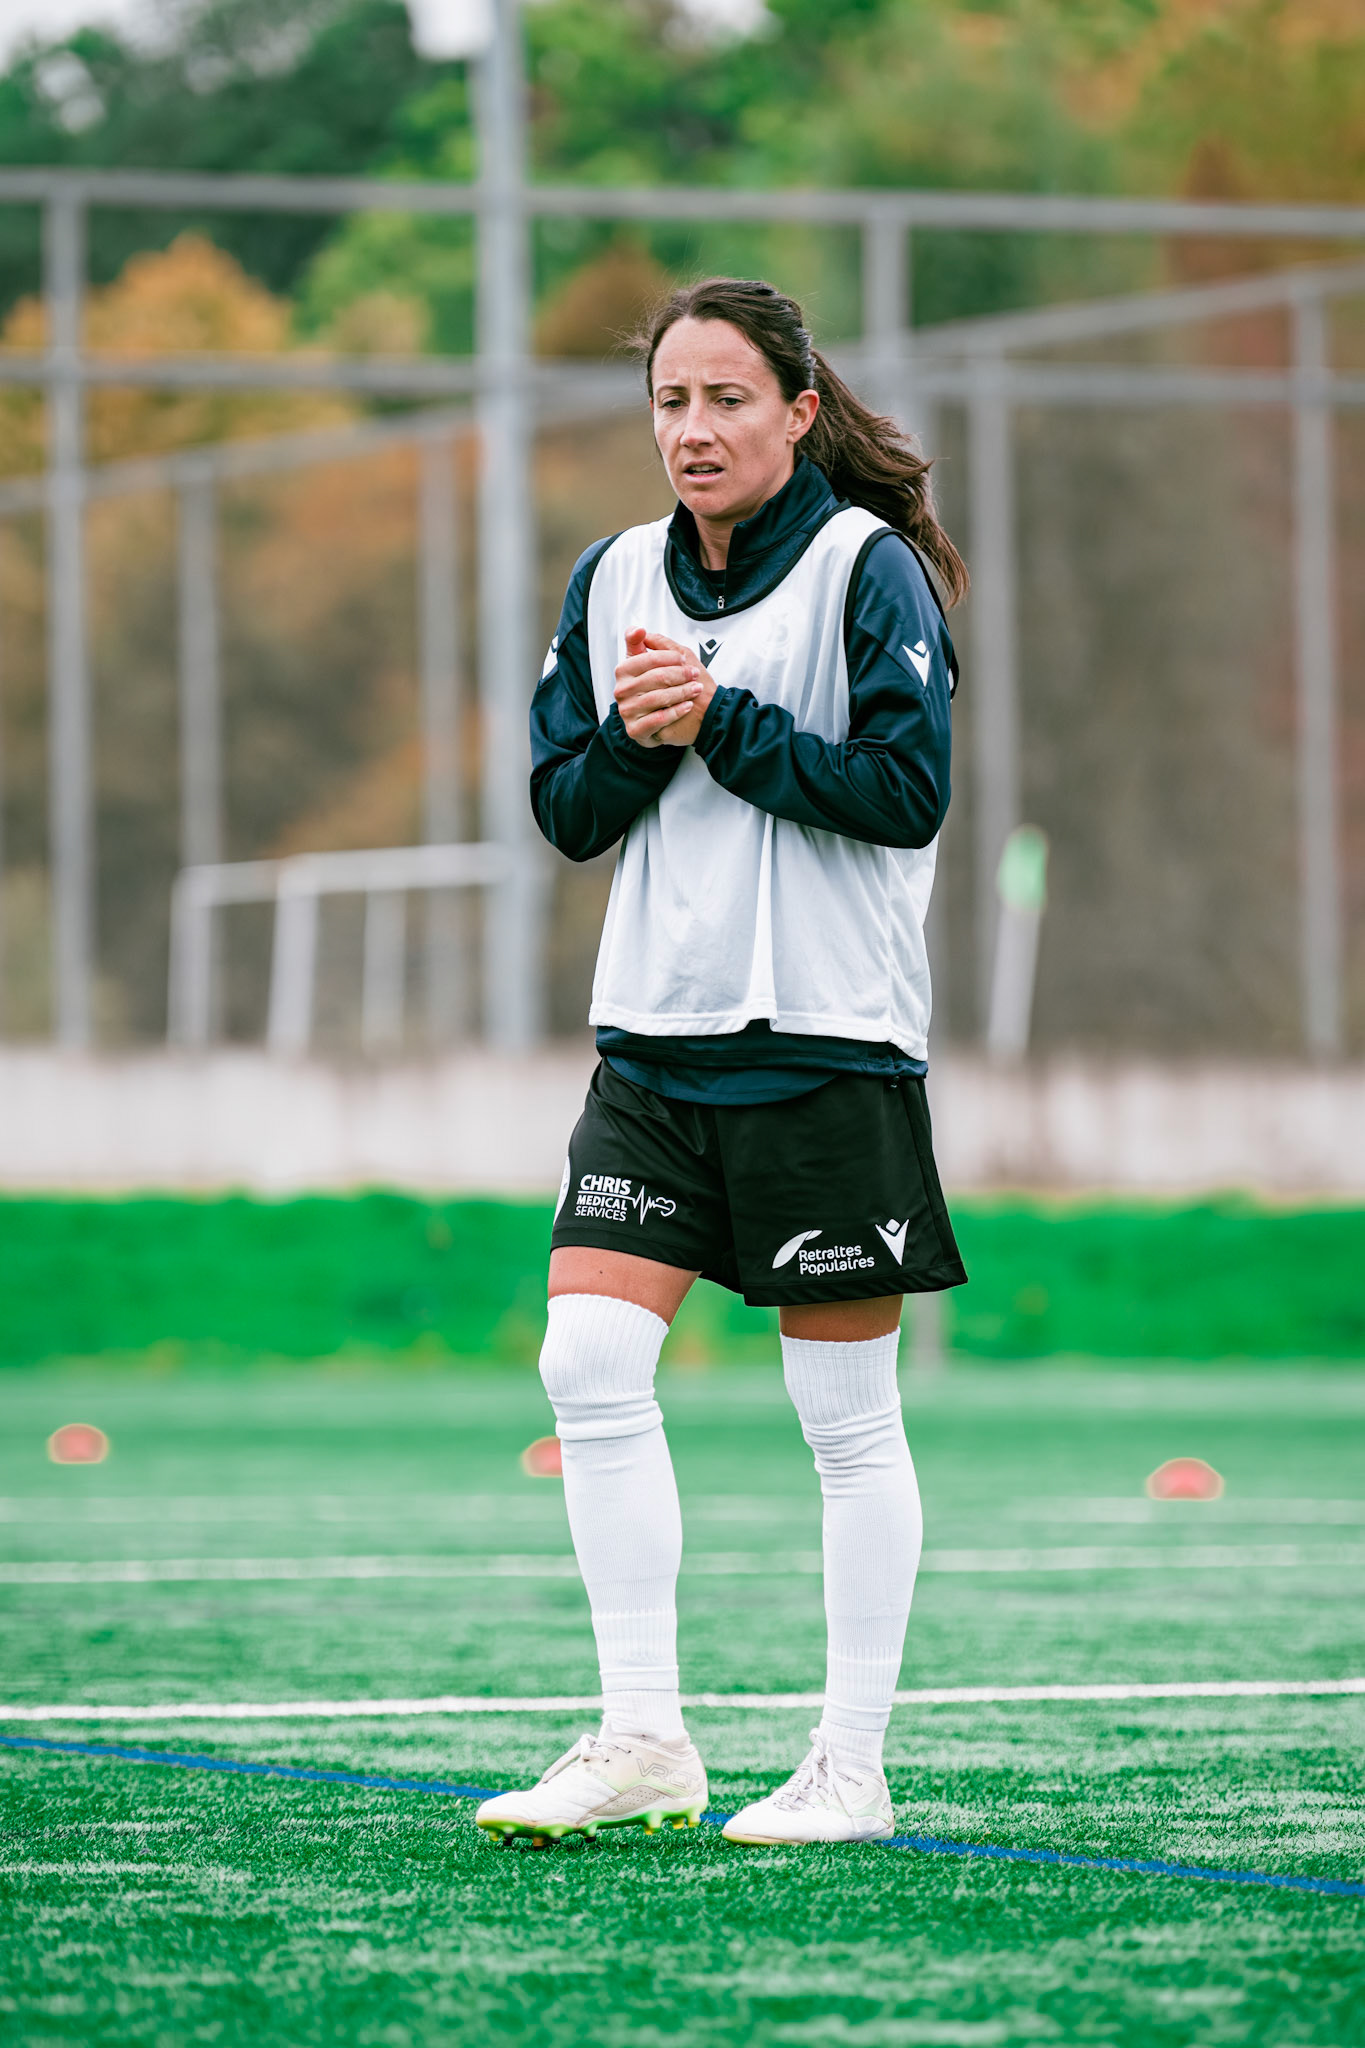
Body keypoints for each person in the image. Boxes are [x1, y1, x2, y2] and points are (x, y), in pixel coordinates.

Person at [475, 277, 968, 1850]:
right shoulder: (612, 572)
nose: (693, 431)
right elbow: (567, 810)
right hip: (654, 1049)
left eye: (726, 400)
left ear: (798, 411)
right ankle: (641, 1739)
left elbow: (906, 793)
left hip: (827, 1047)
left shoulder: (861, 568)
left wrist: (721, 721)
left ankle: (849, 1766)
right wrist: (636, 734)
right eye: (670, 404)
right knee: (587, 1365)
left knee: (845, 1421)